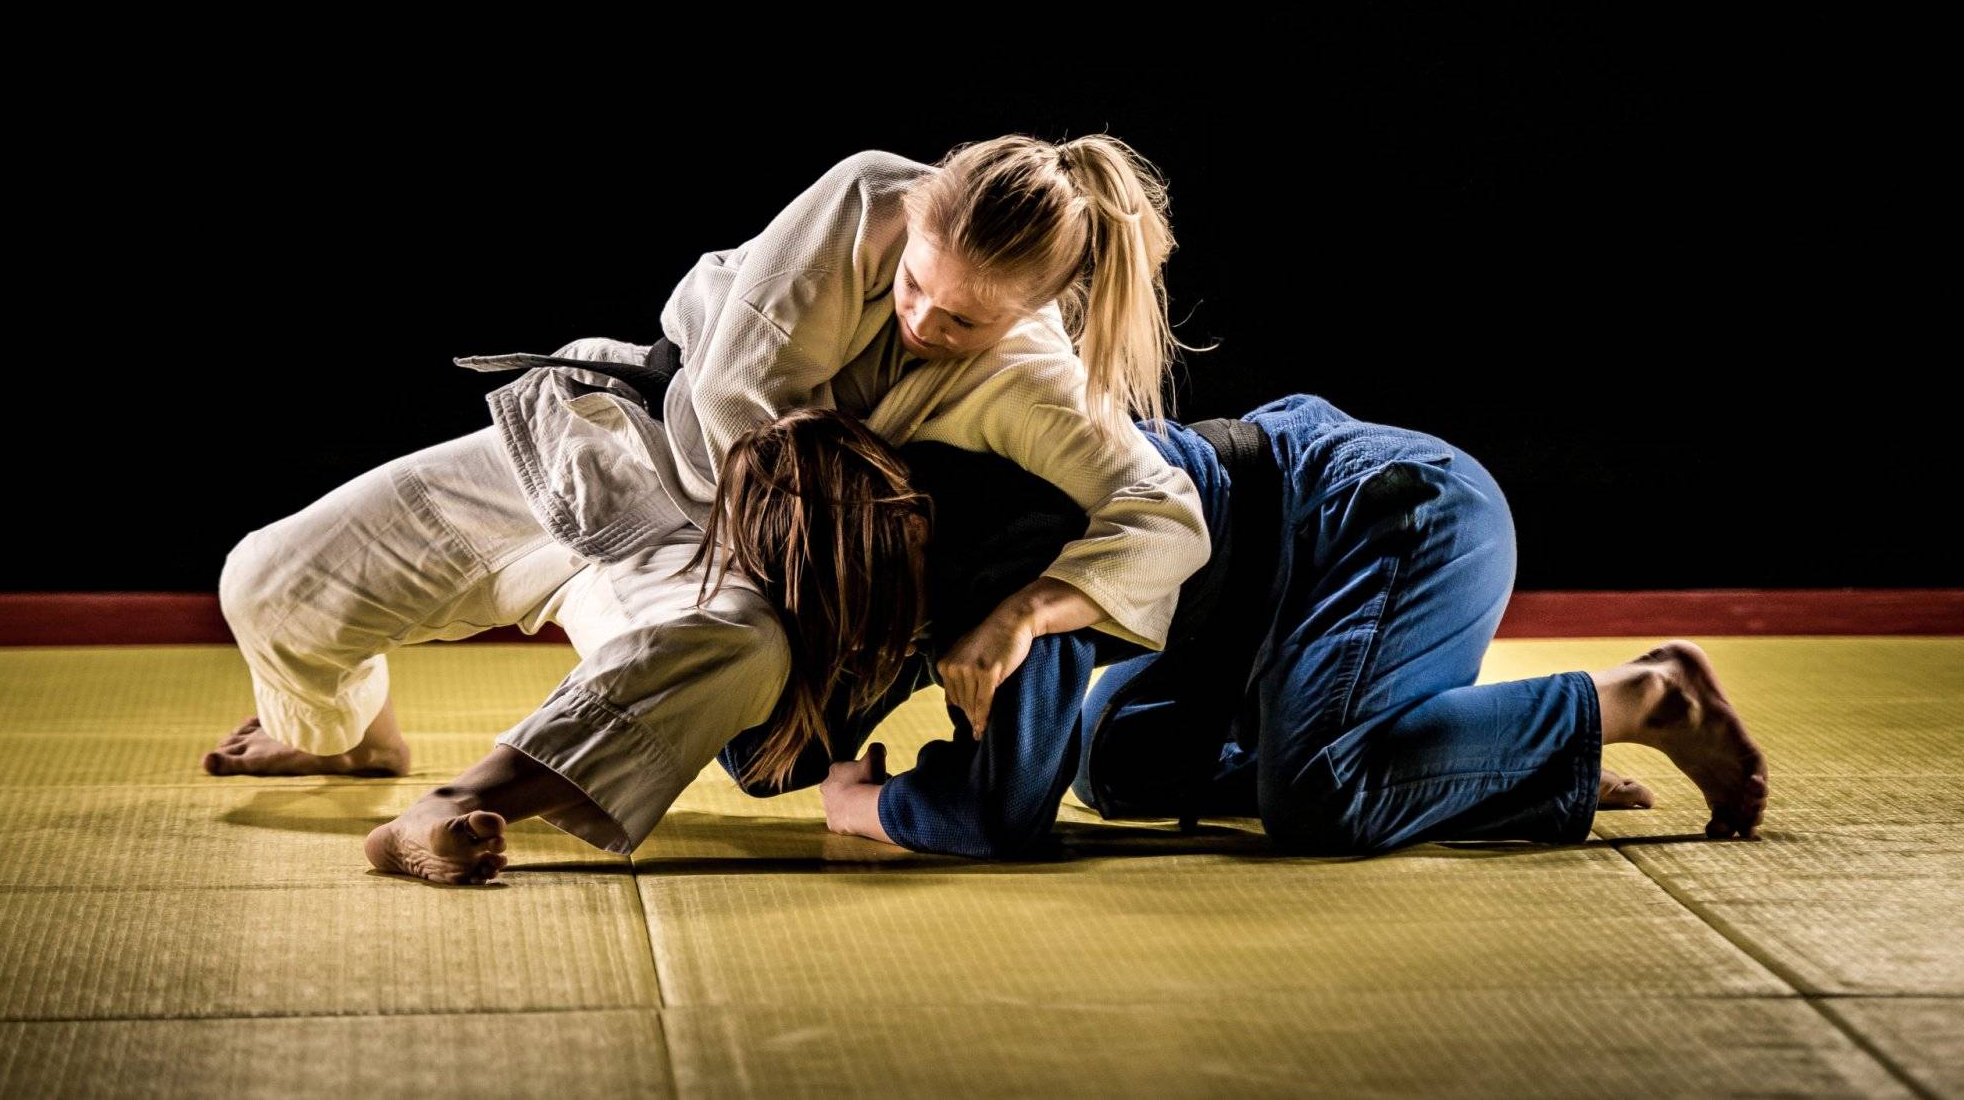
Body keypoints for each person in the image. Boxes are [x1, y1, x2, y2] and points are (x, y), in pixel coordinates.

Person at [205, 136, 1214, 881]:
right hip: (604, 454)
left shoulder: (1032, 377)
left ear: (1031, 309)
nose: (919, 318)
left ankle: (463, 800)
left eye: (961, 319)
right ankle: (338, 728)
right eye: (912, 283)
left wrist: (1023, 613)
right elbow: (737, 394)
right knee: (263, 582)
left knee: (744, 656)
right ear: (914, 220)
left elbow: (1163, 511)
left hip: (714, 556)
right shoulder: (867, 195)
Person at [716, 395, 1771, 860]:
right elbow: (762, 759)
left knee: (1314, 799)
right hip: (1265, 612)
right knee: (1119, 768)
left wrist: (864, 808)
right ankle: (1468, 759)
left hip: (1390, 518)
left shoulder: (1007, 536)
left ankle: (1641, 696)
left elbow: (1003, 813)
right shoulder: (895, 533)